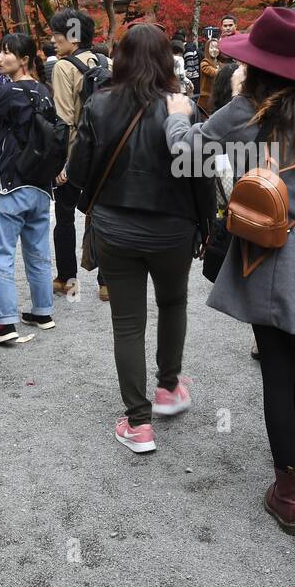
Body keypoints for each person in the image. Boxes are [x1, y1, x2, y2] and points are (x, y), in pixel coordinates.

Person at [166, 7, 295, 536]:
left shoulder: (243, 112)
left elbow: (184, 153)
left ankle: (288, 491)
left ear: (254, 65)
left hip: (263, 254)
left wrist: (176, 112)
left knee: (278, 369)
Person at [67, 24, 212, 454]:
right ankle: (168, 387)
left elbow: (78, 173)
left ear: (121, 57)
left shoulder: (99, 102)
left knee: (127, 324)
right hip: (173, 226)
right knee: (173, 303)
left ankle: (138, 423)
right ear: (168, 59)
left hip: (116, 225)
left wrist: (93, 206)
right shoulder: (182, 106)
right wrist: (205, 226)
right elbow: (200, 175)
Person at [0, 33, 58, 344]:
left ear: (25, 59)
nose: (0, 58)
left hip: (9, 183)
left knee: (1, 254)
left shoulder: (14, 91)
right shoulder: (44, 91)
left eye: (7, 53)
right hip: (40, 184)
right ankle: (43, 311)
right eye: (0, 52)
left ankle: (6, 324)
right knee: (38, 250)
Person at [48, 7, 108, 300]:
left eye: (57, 33)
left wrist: (64, 163)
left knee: (65, 214)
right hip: (106, 153)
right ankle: (106, 282)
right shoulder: (106, 61)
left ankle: (66, 278)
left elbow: (64, 120)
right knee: (102, 213)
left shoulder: (63, 66)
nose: (53, 38)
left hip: (77, 154)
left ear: (71, 34)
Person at [197, 38, 221, 113]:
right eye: (211, 47)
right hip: (206, 97)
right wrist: (221, 70)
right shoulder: (204, 63)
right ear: (207, 49)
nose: (214, 50)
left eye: (217, 48)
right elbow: (212, 72)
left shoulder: (218, 62)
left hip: (215, 96)